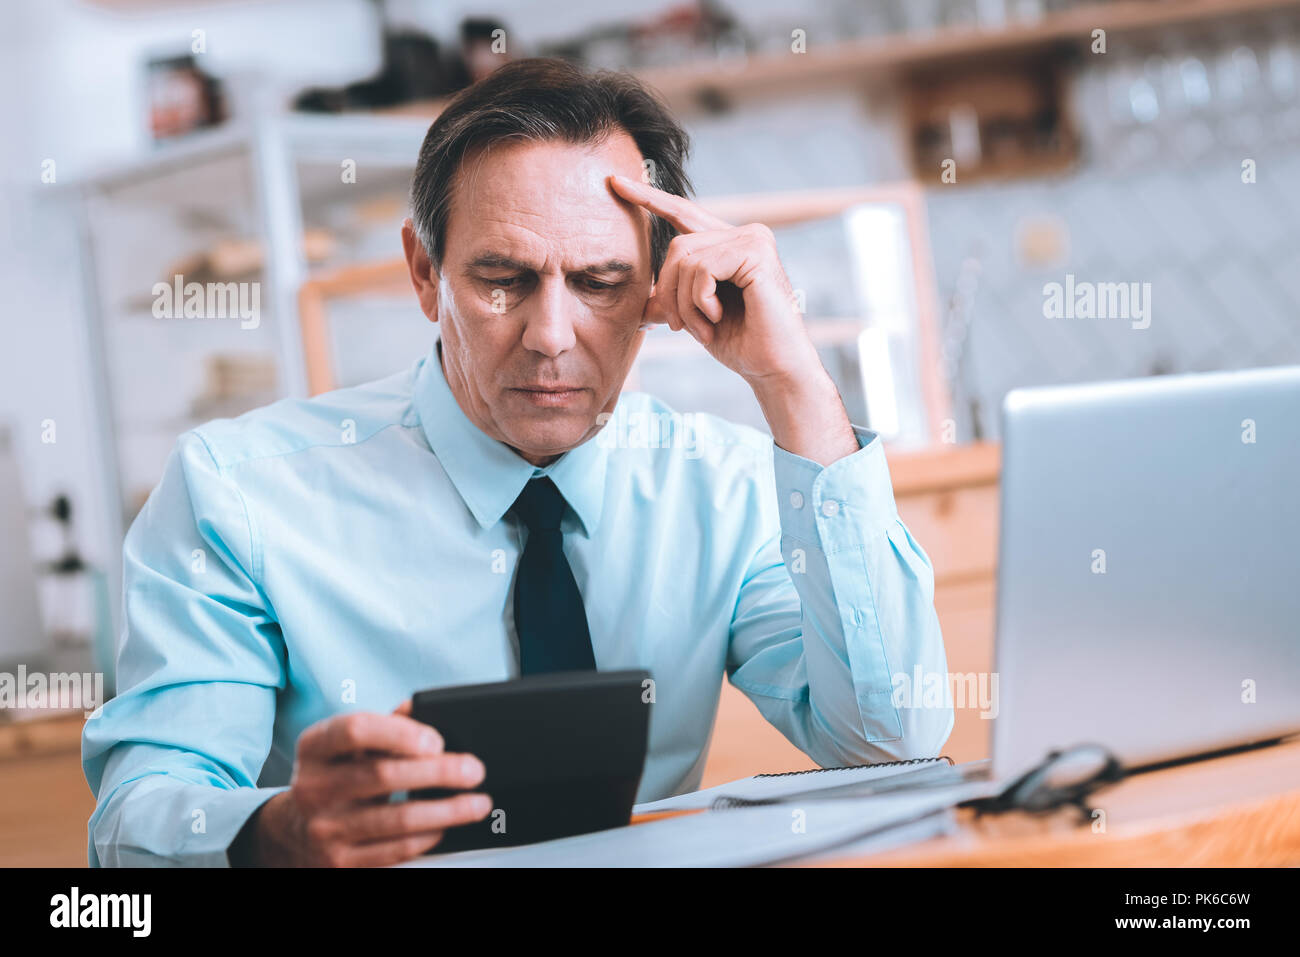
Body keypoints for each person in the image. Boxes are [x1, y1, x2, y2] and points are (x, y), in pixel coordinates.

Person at [83, 57, 953, 867]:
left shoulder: (721, 488)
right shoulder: (237, 492)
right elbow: (132, 824)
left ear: (658, 287)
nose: (550, 336)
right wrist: (281, 832)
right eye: (502, 278)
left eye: (600, 282)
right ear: (425, 273)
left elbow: (889, 744)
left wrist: (793, 381)